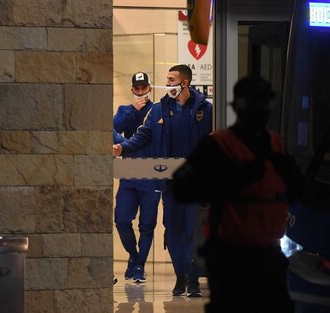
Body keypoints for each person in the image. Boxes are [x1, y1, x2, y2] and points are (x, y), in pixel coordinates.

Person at [171, 75, 303, 313]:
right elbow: (181, 187)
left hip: (269, 253)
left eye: (264, 103)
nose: (261, 109)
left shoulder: (275, 143)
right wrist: (234, 177)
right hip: (231, 257)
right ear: (239, 107)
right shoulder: (218, 145)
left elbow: (294, 191)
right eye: (255, 103)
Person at [113, 64, 213, 297]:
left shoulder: (204, 110)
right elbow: (142, 136)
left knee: (192, 231)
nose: (166, 83)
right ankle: (181, 275)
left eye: (171, 80)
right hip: (169, 183)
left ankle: (194, 279)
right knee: (174, 230)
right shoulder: (158, 110)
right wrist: (122, 148)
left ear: (184, 83)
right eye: (166, 80)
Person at [113, 72, 162, 283]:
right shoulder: (125, 110)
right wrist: (133, 109)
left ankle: (140, 265)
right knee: (122, 219)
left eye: (144, 88)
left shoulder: (158, 110)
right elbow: (113, 128)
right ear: (133, 89)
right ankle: (134, 257)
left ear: (150, 89)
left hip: (152, 172)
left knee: (147, 224)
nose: (141, 91)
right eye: (137, 88)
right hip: (130, 172)